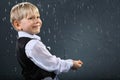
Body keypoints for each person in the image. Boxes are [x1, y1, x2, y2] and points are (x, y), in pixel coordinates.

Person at [10, 2, 83, 80]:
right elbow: (52, 64)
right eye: (31, 18)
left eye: (38, 17)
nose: (37, 21)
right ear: (17, 24)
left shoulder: (21, 42)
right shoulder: (32, 44)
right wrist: (71, 64)